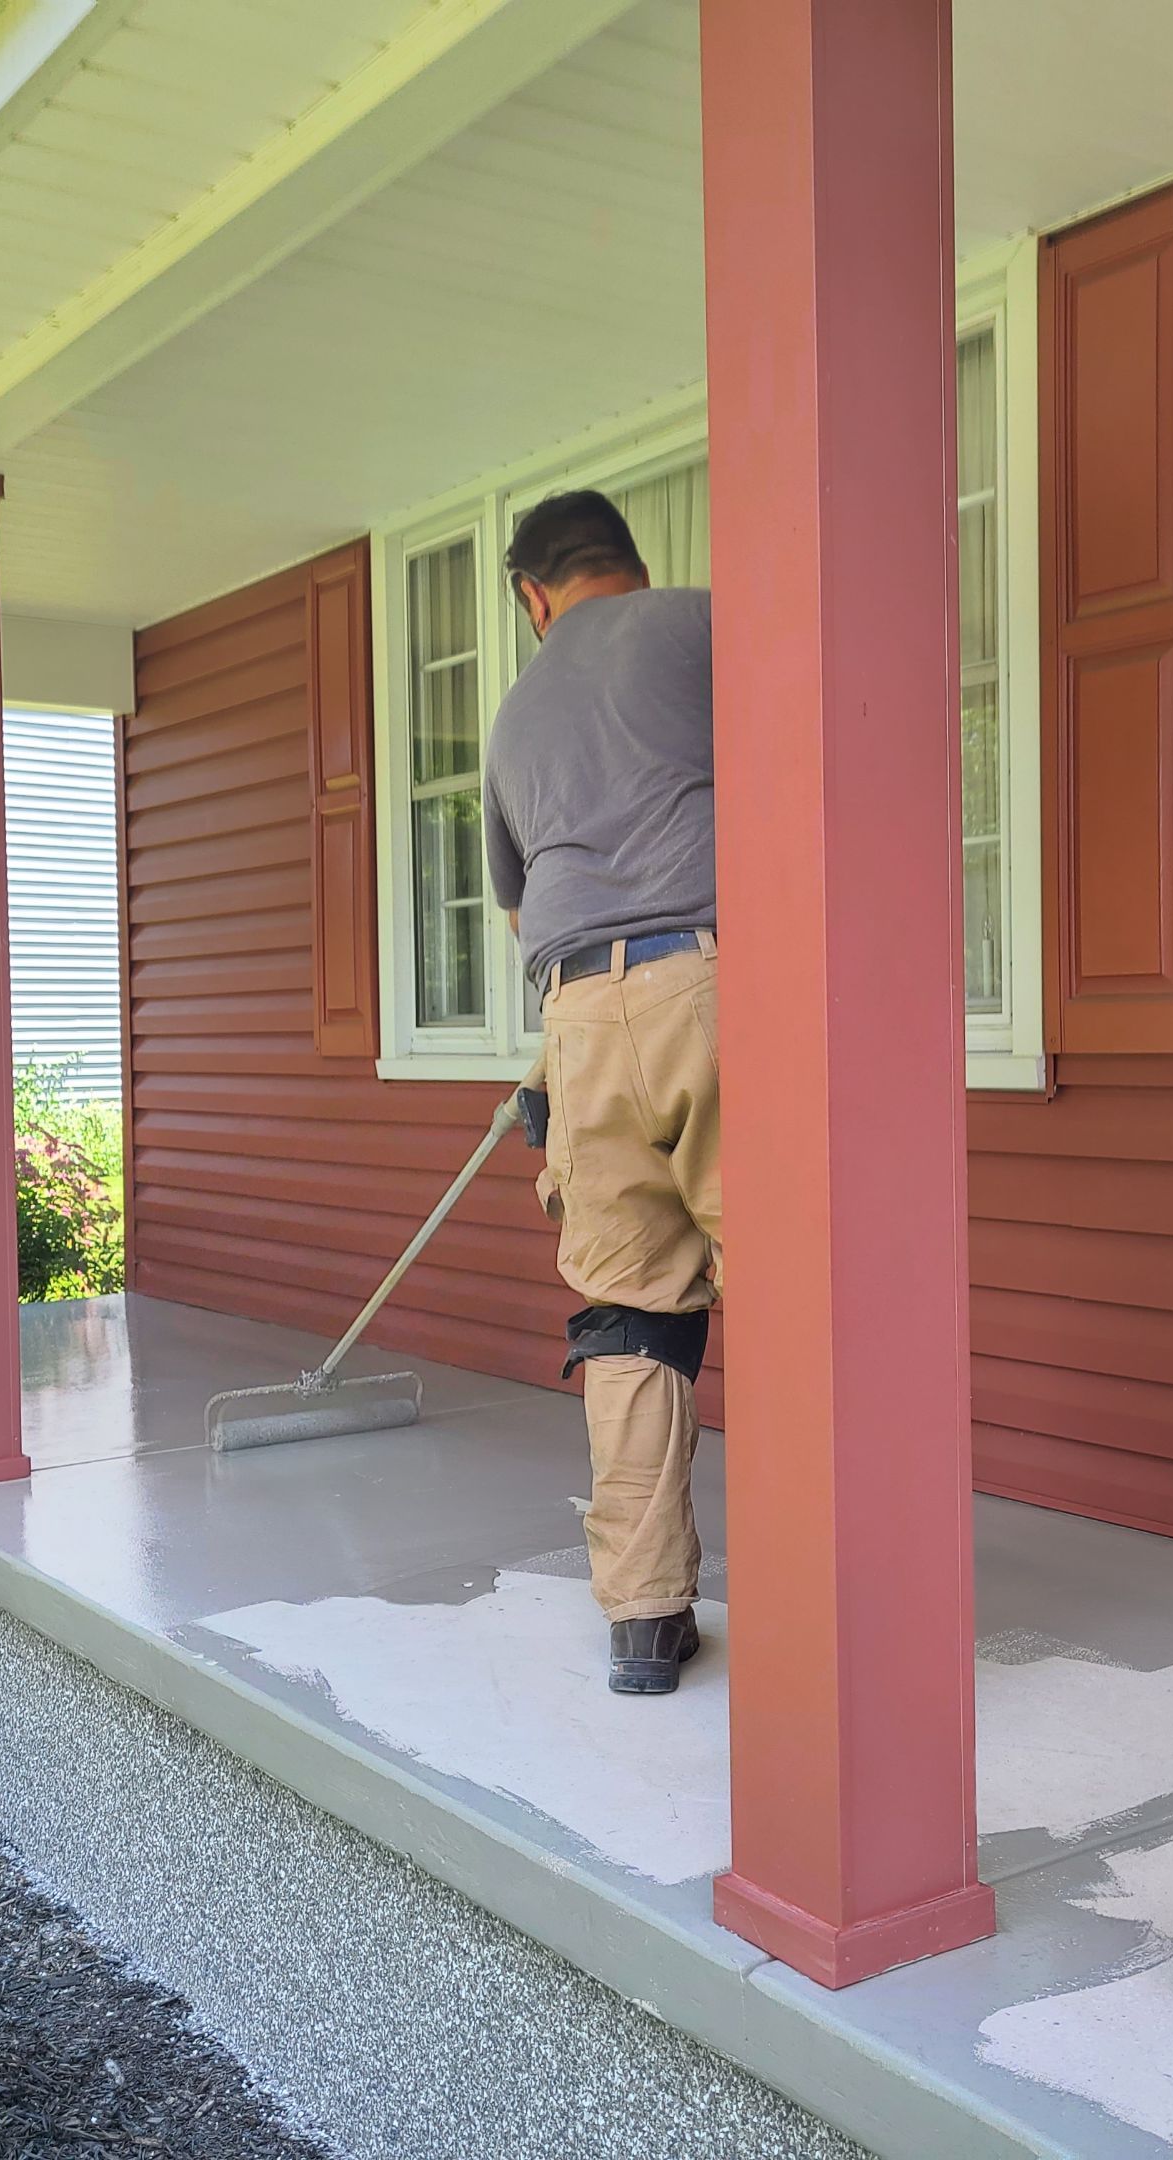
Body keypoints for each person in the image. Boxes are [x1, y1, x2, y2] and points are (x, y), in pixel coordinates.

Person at [482, 488, 719, 1696]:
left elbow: (526, 910)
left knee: (630, 1321)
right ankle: (852, 1607)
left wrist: (572, 1055)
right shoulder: (701, 626)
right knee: (807, 1287)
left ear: (534, 596)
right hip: (711, 985)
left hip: (575, 1018)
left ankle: (643, 1621)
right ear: (627, 563)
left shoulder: (515, 716)